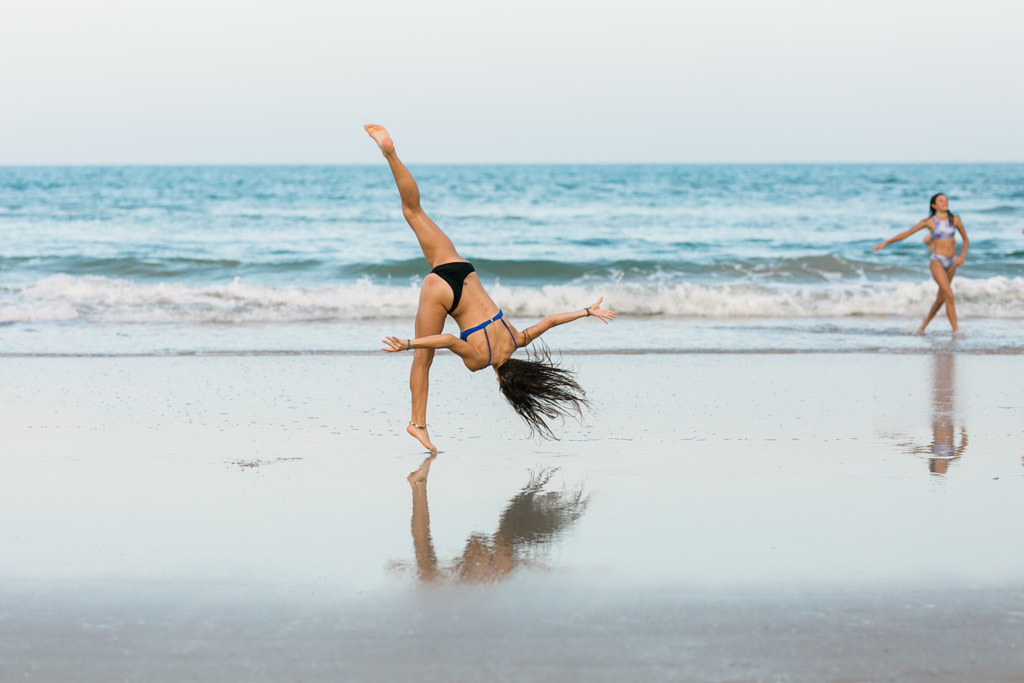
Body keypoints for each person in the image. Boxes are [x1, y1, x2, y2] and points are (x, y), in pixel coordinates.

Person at [365, 124, 615, 451]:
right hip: (441, 289)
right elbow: (449, 339)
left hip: (461, 269)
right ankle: (418, 425)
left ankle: (391, 154)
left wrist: (587, 311)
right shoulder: (479, 361)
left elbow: (551, 320)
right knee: (423, 360)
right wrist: (409, 344)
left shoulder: (517, 339)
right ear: (501, 381)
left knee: (414, 210)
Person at [872, 193, 969, 335]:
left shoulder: (955, 219)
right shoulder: (929, 222)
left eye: (946, 200)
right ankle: (956, 331)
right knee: (949, 294)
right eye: (941, 201)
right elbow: (907, 233)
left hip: (952, 262)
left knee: (942, 298)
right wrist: (886, 242)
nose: (945, 203)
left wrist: (962, 257)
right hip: (937, 261)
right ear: (934, 205)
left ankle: (924, 323)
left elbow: (966, 240)